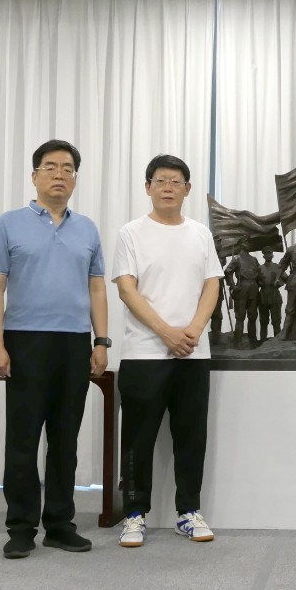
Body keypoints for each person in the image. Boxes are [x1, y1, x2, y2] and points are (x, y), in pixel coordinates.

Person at [0, 140, 109, 560]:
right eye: (50, 167)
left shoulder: (87, 228)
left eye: (68, 168)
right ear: (34, 175)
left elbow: (96, 288)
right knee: (22, 438)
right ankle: (20, 527)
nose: (59, 174)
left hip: (73, 342)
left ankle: (59, 524)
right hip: (25, 340)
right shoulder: (8, 224)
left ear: (75, 178)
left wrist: (101, 341)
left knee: (65, 438)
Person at [112, 155, 225, 548]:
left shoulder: (200, 234)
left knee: (191, 436)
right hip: (144, 352)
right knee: (137, 437)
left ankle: (188, 511)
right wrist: (166, 333)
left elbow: (212, 285)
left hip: (193, 353)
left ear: (187, 189)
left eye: (176, 181)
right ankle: (134, 514)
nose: (167, 188)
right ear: (147, 187)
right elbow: (127, 289)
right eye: (160, 180)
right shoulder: (131, 233)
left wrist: (192, 330)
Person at [223, 244, 262, 346]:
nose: (248, 244)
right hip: (242, 288)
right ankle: (238, 341)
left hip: (253, 288)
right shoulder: (237, 259)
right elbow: (228, 271)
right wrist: (232, 285)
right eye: (246, 242)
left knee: (253, 316)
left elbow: (260, 272)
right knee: (240, 316)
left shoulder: (254, 259)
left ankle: (253, 340)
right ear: (241, 244)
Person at [257, 249, 286, 340]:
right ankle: (262, 341)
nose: (268, 255)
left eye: (270, 253)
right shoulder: (260, 268)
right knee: (263, 321)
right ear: (263, 256)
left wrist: (279, 283)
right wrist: (259, 283)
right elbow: (255, 280)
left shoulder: (277, 267)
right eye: (266, 253)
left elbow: (286, 279)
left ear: (273, 255)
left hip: (275, 295)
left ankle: (277, 341)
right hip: (263, 296)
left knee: (276, 321)